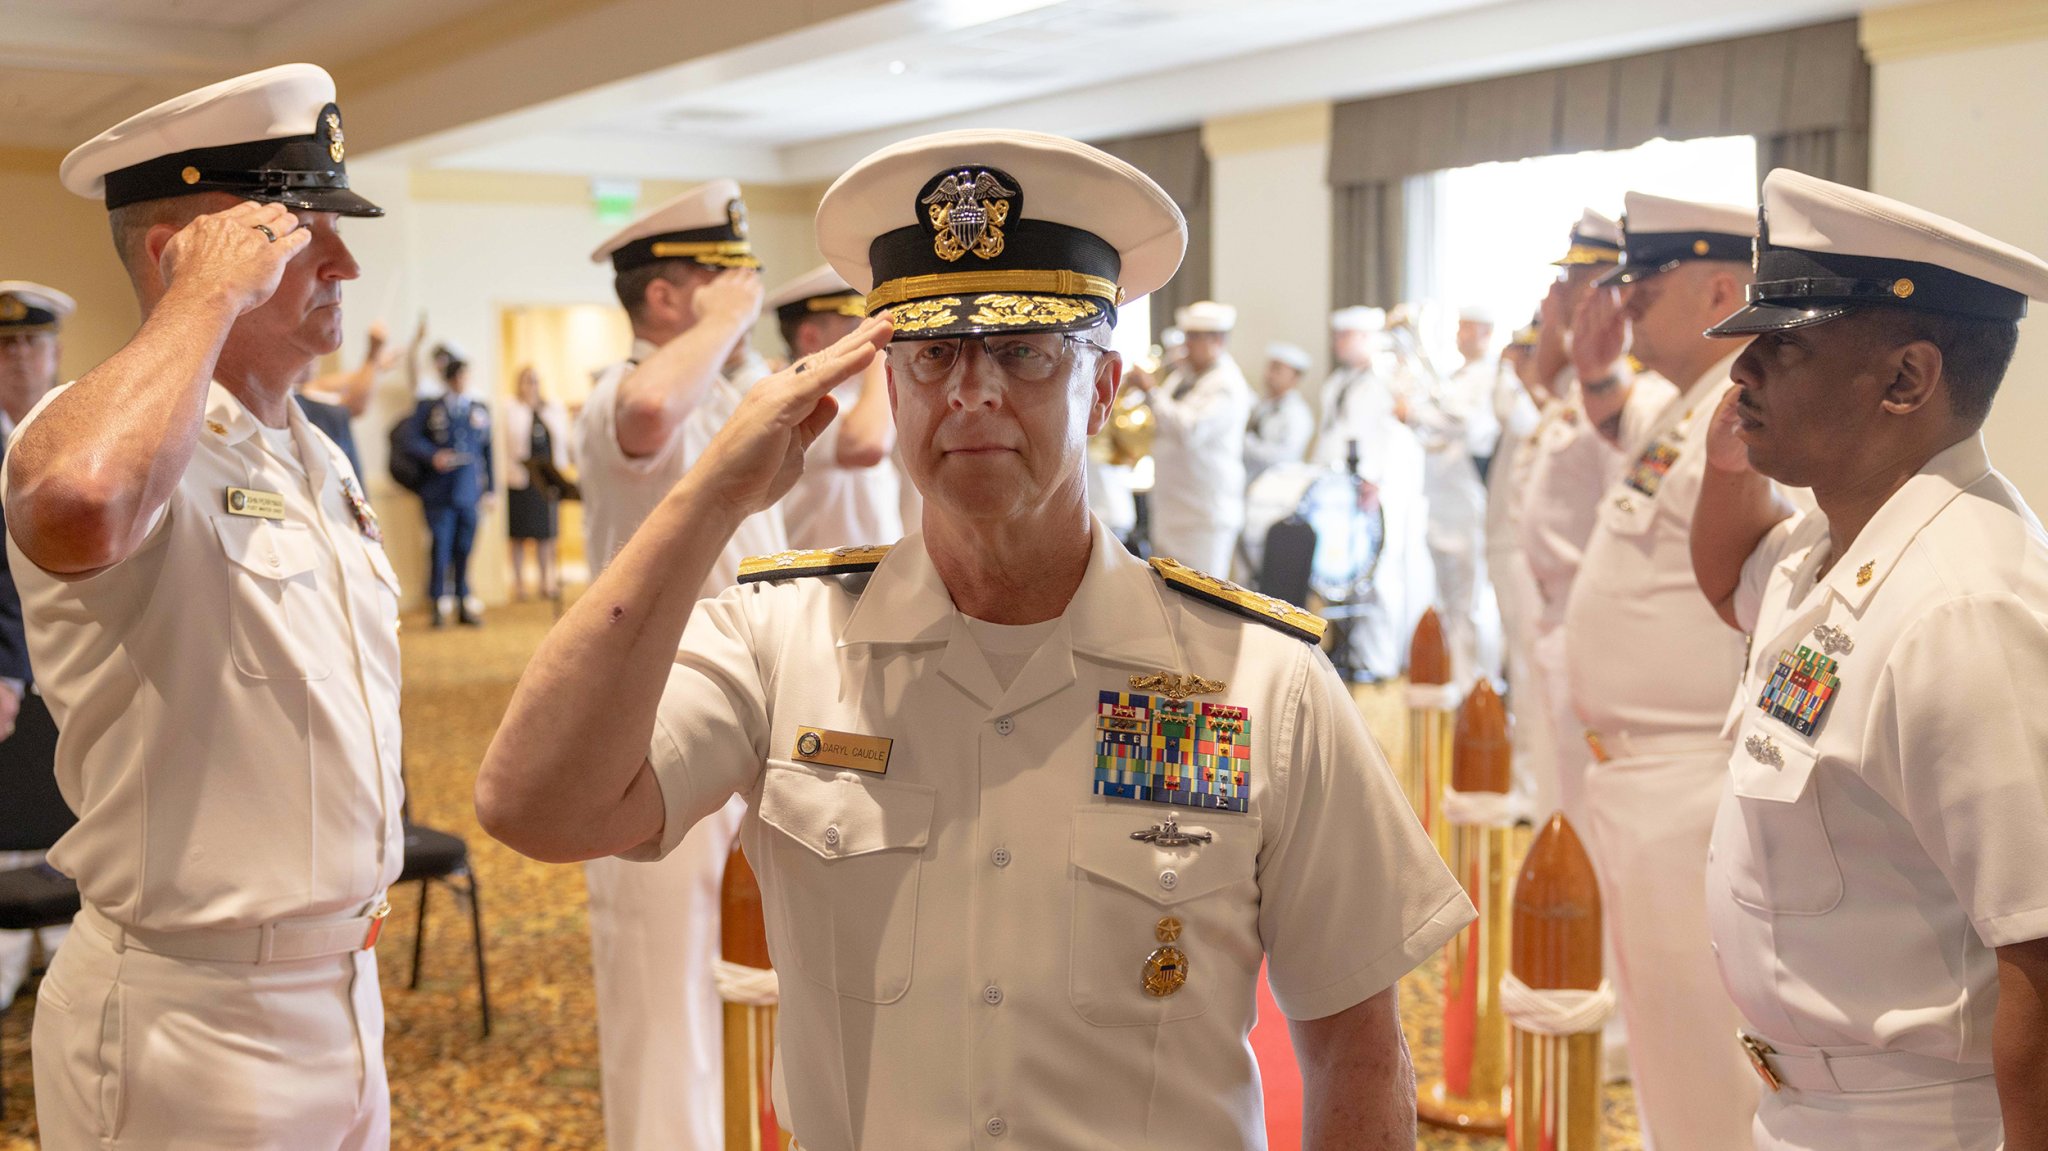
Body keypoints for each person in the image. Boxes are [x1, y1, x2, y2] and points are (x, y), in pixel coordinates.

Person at [476, 127, 1475, 1151]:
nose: (971, 392)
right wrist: (707, 497)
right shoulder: (783, 643)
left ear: (1101, 388)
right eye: (932, 354)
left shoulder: (1257, 680)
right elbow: (535, 804)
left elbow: (1354, 1049)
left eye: (1024, 351)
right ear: (892, 383)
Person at [11, 63, 402, 1149]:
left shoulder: (315, 454)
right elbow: (79, 503)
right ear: (177, 249)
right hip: (190, 1014)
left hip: (343, 988)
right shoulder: (88, 431)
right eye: (296, 233)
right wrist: (202, 294)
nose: (344, 262)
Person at [1689, 170, 2048, 1151]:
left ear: (1904, 379)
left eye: (1781, 346)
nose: (1739, 372)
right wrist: (1734, 457)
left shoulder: (1963, 607)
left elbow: (2041, 955)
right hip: (1813, 1105)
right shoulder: (1829, 548)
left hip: (1925, 1122)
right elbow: (1725, 580)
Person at [570, 177, 778, 1151]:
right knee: (662, 989)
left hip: (748, 715)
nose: (746, 296)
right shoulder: (628, 389)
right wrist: (729, 316)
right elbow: (652, 409)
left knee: (744, 973)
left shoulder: (727, 390)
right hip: (646, 734)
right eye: (722, 279)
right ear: (667, 297)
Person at [1560, 191, 1765, 1148]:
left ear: (1724, 286)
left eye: (1649, 281)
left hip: (1693, 777)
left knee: (1706, 1054)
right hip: (1641, 774)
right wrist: (1598, 373)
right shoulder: (1691, 402)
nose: (1627, 297)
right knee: (1665, 1040)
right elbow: (1633, 462)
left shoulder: (1750, 408)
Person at [0, 280, 75, 1012]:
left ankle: (58, 954)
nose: (22, 359)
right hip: (3, 670)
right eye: (8, 346)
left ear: (56, 354)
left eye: (34, 343)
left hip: (72, 661)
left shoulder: (78, 433)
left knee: (71, 792)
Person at [1314, 305, 1433, 679]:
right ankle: (1358, 653)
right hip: (1340, 488)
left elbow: (1390, 437)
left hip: (1378, 488)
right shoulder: (1338, 382)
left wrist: (1374, 479)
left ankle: (1382, 659)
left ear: (1366, 338)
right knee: (1348, 576)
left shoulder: (1388, 379)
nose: (1338, 343)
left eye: (1345, 335)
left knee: (1381, 574)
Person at [767, 264, 902, 548]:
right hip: (818, 578)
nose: (870, 336)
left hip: (874, 573)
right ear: (811, 338)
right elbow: (866, 445)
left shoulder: (859, 393)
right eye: (857, 328)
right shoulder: (794, 399)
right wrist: (879, 354)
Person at [1139, 300, 1251, 575]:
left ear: (1217, 341)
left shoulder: (1226, 384)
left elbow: (1190, 430)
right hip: (1171, 507)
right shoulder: (1183, 376)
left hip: (1203, 515)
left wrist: (1150, 392)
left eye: (1194, 337)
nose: (1186, 344)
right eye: (1187, 335)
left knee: (1202, 603)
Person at [400, 347, 493, 627]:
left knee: (465, 546)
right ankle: (439, 602)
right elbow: (409, 439)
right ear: (449, 379)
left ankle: (464, 599)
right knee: (440, 547)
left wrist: (491, 490)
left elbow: (488, 452)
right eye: (459, 377)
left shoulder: (478, 409)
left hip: (468, 491)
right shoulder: (431, 407)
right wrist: (433, 455)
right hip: (439, 491)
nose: (463, 382)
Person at [297, 319, 402, 483]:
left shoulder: (310, 389)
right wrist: (373, 356)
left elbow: (337, 382)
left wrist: (374, 365)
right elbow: (356, 404)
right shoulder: (301, 398)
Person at [505, 365, 569, 600]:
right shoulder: (511, 409)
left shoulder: (552, 409)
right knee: (519, 535)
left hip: (546, 480)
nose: (532, 385)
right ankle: (519, 584)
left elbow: (561, 442)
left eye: (535, 381)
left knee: (546, 534)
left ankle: (547, 581)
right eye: (527, 381)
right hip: (520, 479)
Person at [1244, 341, 1313, 481]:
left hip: (1276, 485)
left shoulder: (1297, 414)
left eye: (1277, 369)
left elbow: (1285, 456)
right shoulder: (1261, 405)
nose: (1270, 374)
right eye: (1269, 367)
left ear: (1295, 377)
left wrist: (1246, 444)